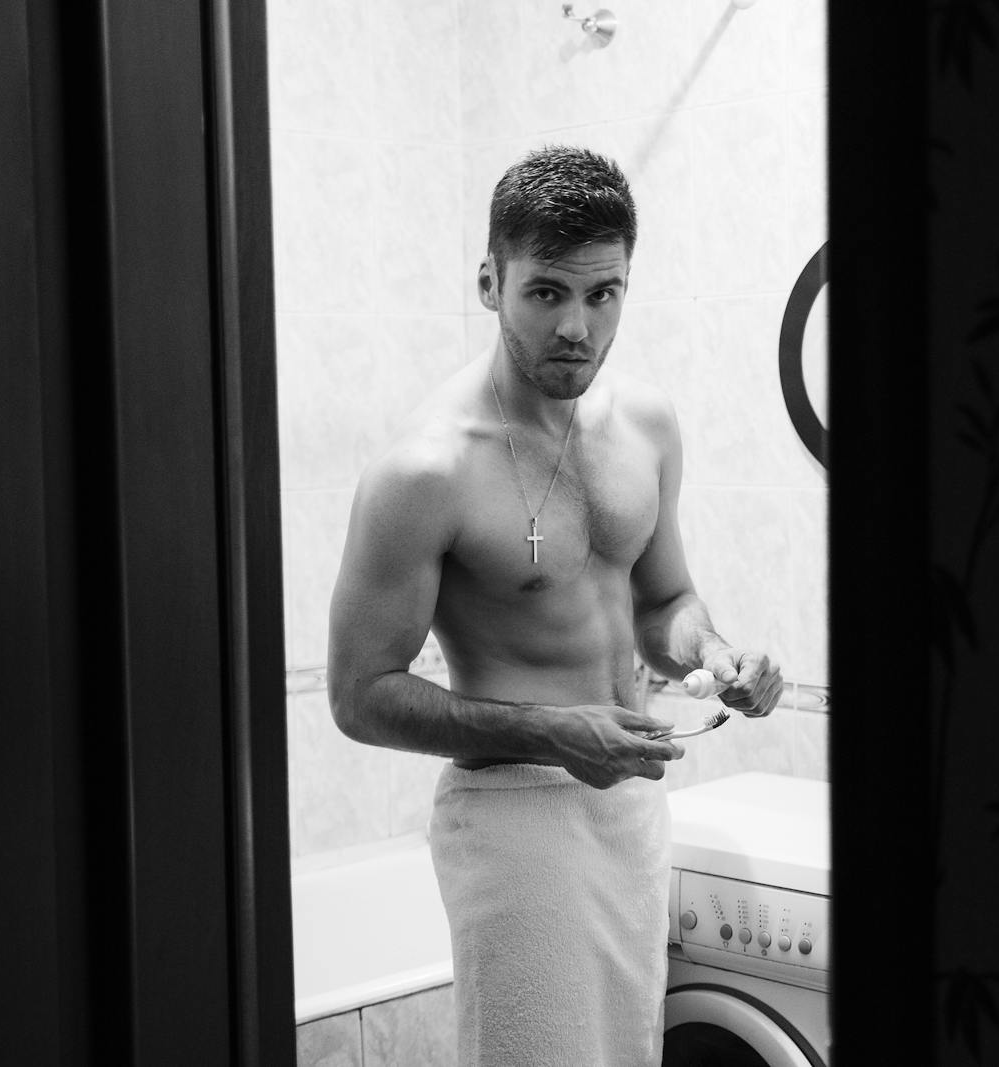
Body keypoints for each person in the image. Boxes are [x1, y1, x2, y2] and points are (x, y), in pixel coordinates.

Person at [326, 145, 784, 1067]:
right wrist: (553, 732)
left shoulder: (647, 426)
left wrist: (717, 652)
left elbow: (666, 602)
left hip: (632, 814)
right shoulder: (426, 470)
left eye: (603, 293)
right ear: (491, 280)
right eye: (546, 293)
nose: (577, 325)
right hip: (513, 822)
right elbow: (359, 693)